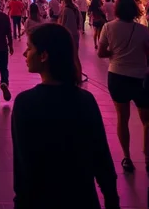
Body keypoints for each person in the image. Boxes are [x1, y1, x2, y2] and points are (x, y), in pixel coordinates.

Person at [12, 23, 119, 209]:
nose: (25, 54)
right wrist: (111, 198)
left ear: (44, 56)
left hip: (41, 200)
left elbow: (24, 165)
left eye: (29, 48)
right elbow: (101, 156)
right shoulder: (85, 100)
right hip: (82, 198)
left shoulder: (25, 103)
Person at [98, 0, 149, 173]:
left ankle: (127, 157)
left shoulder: (108, 27)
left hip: (118, 75)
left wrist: (114, 53)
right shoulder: (143, 30)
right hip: (140, 77)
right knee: (146, 119)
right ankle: (148, 156)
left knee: (122, 118)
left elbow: (101, 52)